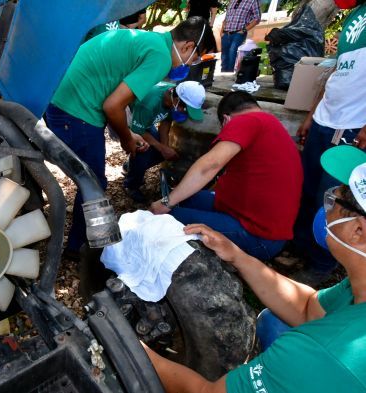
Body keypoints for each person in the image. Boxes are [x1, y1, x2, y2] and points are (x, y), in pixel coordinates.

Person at [145, 144, 366, 393]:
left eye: (334, 199)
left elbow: (208, 392)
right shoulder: (358, 287)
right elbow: (308, 308)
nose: (326, 208)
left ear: (357, 230)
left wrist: (128, 346)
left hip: (318, 363)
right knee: (274, 323)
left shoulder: (324, 352)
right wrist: (238, 256)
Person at [46, 17, 217, 259]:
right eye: (198, 57)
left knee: (92, 180)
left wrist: (130, 133)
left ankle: (84, 242)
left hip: (64, 103)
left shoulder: (148, 41)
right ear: (188, 47)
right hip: (76, 113)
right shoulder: (160, 57)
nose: (195, 63)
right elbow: (113, 105)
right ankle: (80, 248)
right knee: (93, 184)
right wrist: (127, 139)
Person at [149, 91, 302, 260]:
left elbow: (210, 166)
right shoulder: (270, 123)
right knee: (187, 198)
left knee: (167, 218)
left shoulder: (245, 121)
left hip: (259, 237)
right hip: (253, 219)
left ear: (226, 119)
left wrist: (166, 202)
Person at [293, 0, 366, 285]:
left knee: (332, 199)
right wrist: (312, 114)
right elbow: (336, 73)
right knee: (307, 187)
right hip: (325, 119)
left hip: (350, 126)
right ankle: (299, 244)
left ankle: (321, 264)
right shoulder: (354, 17)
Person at [123, 81, 206, 203]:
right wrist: (161, 147)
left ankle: (132, 167)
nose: (185, 112)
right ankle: (131, 185)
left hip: (144, 122)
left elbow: (165, 123)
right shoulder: (149, 104)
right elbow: (137, 132)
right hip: (129, 121)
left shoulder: (173, 97)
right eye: (185, 109)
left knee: (159, 153)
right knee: (143, 152)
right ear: (177, 100)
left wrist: (165, 148)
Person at [220, 0, 260, 72]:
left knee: (233, 54)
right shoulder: (232, 1)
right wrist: (222, 31)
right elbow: (226, 17)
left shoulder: (252, 1)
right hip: (226, 33)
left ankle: (229, 76)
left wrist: (244, 30)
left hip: (238, 33)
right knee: (224, 57)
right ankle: (223, 76)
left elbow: (257, 18)